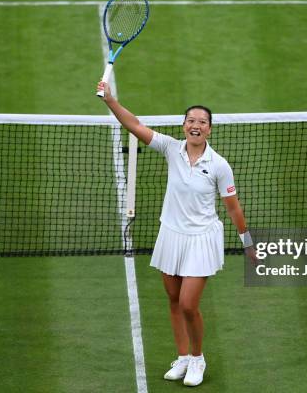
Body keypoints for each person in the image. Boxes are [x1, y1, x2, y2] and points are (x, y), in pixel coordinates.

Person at [97, 81, 256, 387]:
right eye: (191, 120)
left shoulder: (220, 166)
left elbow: (234, 209)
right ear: (184, 125)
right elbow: (134, 125)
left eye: (202, 122)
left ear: (209, 130)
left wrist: (247, 242)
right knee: (172, 299)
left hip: (201, 240)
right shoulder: (171, 148)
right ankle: (182, 357)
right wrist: (110, 101)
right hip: (171, 235)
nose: (195, 125)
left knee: (188, 304)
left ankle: (197, 358)